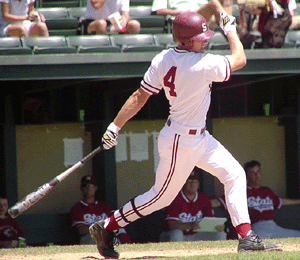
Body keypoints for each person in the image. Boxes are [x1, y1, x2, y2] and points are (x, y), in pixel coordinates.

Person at [88, 1, 283, 258]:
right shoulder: (201, 64)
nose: (205, 41)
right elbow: (240, 58)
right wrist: (230, 29)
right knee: (160, 198)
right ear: (185, 41)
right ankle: (108, 226)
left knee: (235, 174)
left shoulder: (164, 57)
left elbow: (139, 96)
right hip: (181, 140)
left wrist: (115, 126)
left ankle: (246, 237)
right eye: (200, 38)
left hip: (198, 136)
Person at [212, 160, 300, 239]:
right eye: (252, 172)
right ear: (246, 175)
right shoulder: (241, 190)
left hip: (273, 226)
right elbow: (217, 202)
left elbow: (281, 201)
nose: (256, 175)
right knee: (254, 242)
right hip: (255, 227)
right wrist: (200, 203)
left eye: (258, 171)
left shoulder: (267, 191)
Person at [160, 169, 227, 242]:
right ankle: (178, 253)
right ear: (183, 183)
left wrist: (217, 226)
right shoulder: (175, 198)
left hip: (197, 235)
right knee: (177, 233)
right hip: (174, 235)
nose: (192, 184)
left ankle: (218, 253)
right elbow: (171, 225)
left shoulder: (204, 198)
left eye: (195, 181)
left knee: (221, 233)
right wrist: (190, 225)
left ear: (198, 184)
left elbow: (210, 220)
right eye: (189, 181)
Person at [70, 175, 131, 245]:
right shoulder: (77, 208)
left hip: (105, 233)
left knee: (120, 229)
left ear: (95, 188)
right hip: (90, 237)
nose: (88, 188)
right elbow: (81, 230)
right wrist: (100, 228)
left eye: (91, 185)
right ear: (82, 188)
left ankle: (128, 248)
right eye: (85, 185)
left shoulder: (104, 205)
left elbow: (113, 221)